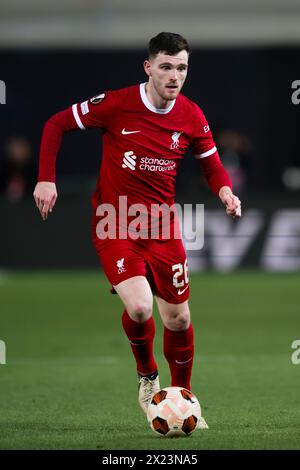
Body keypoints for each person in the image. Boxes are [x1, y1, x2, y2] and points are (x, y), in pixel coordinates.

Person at [33, 32, 241, 428]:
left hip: (162, 226)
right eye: (166, 66)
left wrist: (226, 192)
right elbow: (55, 124)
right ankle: (148, 377)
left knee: (178, 319)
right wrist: (46, 178)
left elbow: (211, 165)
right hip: (116, 221)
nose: (174, 75)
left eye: (181, 67)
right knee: (142, 306)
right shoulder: (116, 104)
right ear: (148, 67)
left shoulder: (191, 116)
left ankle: (182, 398)